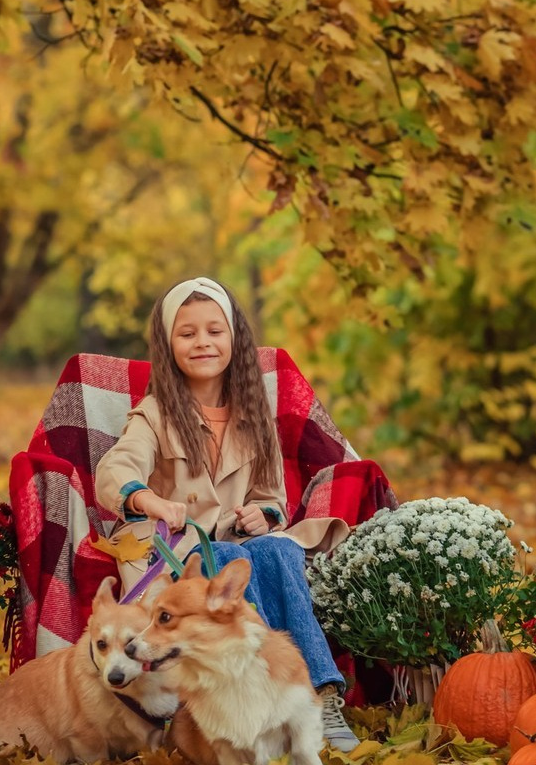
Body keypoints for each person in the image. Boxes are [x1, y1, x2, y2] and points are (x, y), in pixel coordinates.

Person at [95, 275, 359, 752]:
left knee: (275, 549)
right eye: (187, 332)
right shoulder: (155, 414)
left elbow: (271, 495)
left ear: (234, 338)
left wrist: (266, 515)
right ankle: (253, 707)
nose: (203, 343)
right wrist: (148, 499)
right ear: (168, 343)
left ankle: (320, 693)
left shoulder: (254, 415)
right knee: (221, 555)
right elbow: (116, 468)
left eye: (215, 331)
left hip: (237, 546)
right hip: (178, 554)